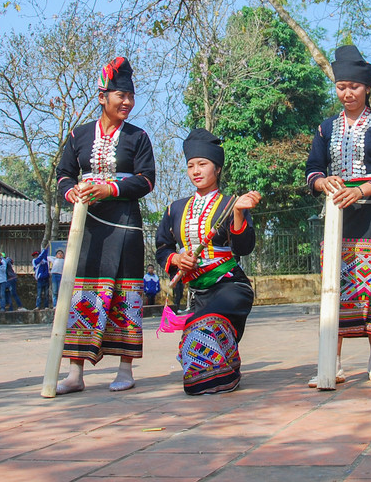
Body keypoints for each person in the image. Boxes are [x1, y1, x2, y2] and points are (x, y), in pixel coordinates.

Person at [55, 56, 156, 394]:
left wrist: (110, 188)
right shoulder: (78, 135)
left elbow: (146, 180)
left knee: (125, 293)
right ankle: (75, 372)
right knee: (82, 292)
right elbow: (64, 175)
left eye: (130, 96)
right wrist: (71, 192)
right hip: (88, 226)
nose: (126, 102)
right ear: (103, 97)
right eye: (119, 96)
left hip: (125, 225)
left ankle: (125, 368)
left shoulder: (138, 137)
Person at [305, 45, 371, 385]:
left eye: (354, 87)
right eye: (341, 87)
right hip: (338, 220)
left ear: (367, 88)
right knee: (336, 287)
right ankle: (332, 363)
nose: (347, 93)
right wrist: (323, 182)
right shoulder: (326, 127)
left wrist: (360, 190)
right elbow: (312, 169)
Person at [156, 129, 260, 394]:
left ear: (217, 168)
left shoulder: (230, 204)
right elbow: (162, 247)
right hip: (197, 290)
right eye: (191, 166)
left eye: (203, 164)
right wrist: (177, 258)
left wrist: (238, 213)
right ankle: (226, 368)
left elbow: (244, 247)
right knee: (197, 333)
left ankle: (222, 376)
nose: (196, 171)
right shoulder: (175, 208)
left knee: (201, 327)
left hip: (230, 286)